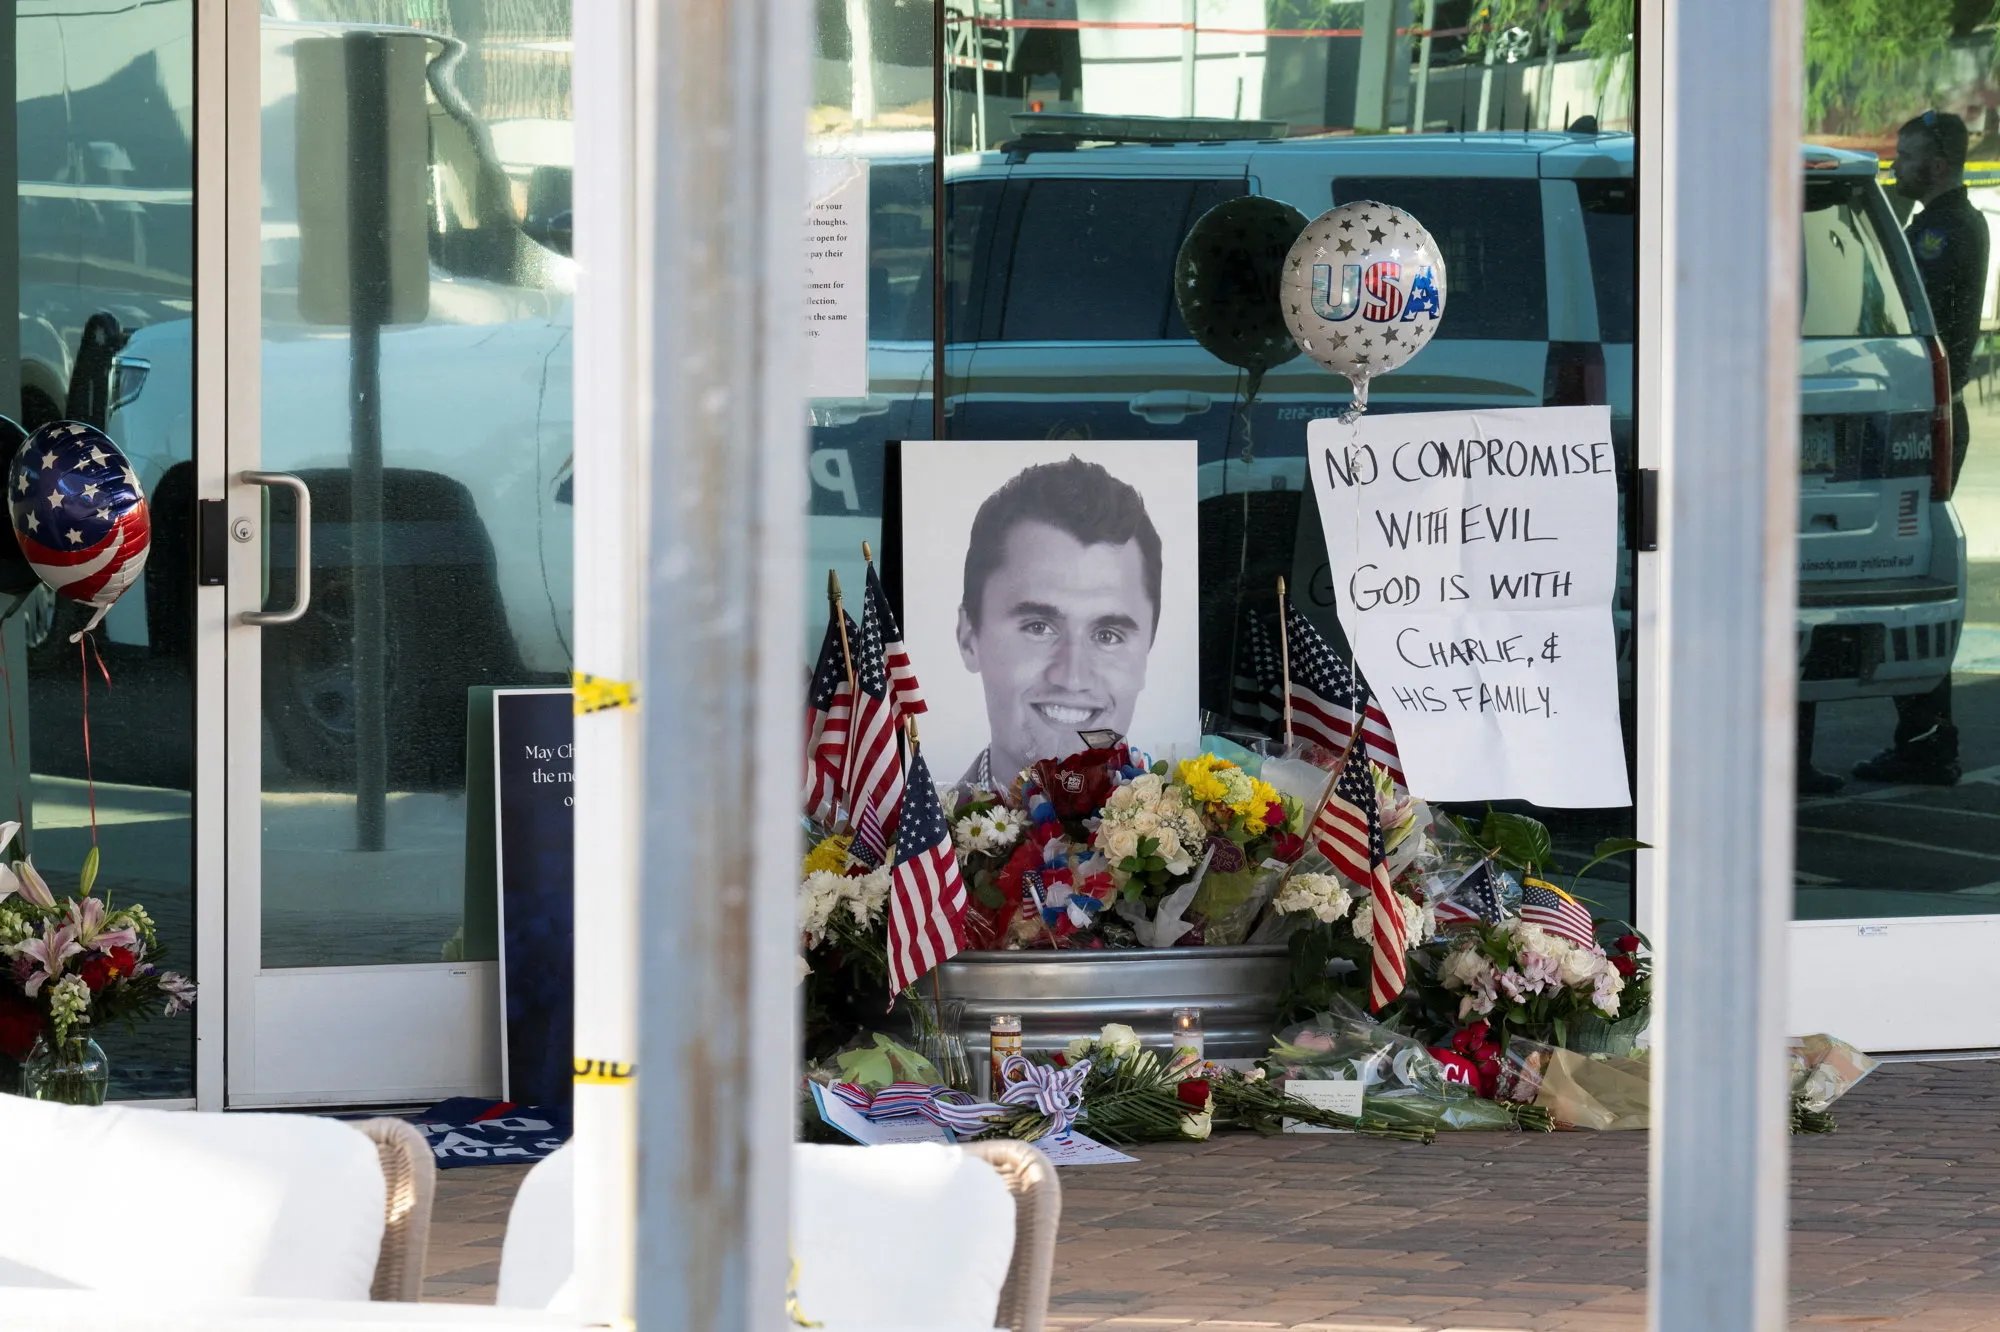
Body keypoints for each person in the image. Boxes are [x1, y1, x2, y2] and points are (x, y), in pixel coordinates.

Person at [1829, 110, 1987, 790]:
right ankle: (1925, 735)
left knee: (1906, 567)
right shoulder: (1944, 223)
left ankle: (1927, 736)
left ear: (1941, 162)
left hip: (1920, 414)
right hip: (1923, 410)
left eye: (1910, 155)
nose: (1897, 164)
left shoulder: (1942, 231)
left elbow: (1909, 314)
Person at [955, 456, 1162, 790]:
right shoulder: (914, 840)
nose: (1072, 678)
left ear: (1147, 649)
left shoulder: (1204, 837)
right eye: (1038, 627)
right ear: (968, 638)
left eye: (1108, 635)